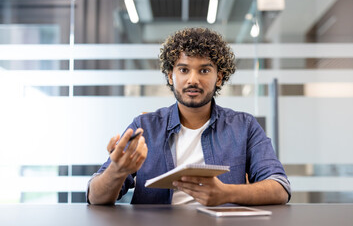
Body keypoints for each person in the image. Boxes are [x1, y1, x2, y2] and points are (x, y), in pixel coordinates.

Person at [87, 27, 291, 206]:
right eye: (183, 70)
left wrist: (226, 194)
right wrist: (118, 170)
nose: (193, 80)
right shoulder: (145, 127)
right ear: (170, 76)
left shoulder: (244, 127)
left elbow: (280, 187)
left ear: (219, 77)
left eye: (204, 70)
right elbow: (94, 196)